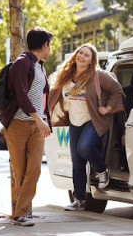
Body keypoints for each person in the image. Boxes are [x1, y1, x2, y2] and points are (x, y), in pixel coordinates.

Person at [48, 43, 123, 211]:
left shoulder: (97, 75)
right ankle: (78, 199)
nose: (82, 56)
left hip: (94, 120)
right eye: (80, 53)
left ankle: (102, 170)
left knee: (85, 147)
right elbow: (56, 96)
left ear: (91, 61)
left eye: (86, 55)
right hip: (75, 122)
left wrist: (108, 108)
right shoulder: (66, 76)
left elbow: (116, 89)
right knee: (77, 162)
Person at [0, 26, 54, 226]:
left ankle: (21, 211)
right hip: (18, 124)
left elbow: (42, 97)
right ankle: (22, 213)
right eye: (50, 45)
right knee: (20, 170)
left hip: (36, 125)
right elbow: (22, 95)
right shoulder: (22, 63)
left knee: (35, 170)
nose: (50, 50)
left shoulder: (40, 66)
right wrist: (38, 118)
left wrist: (44, 118)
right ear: (45, 44)